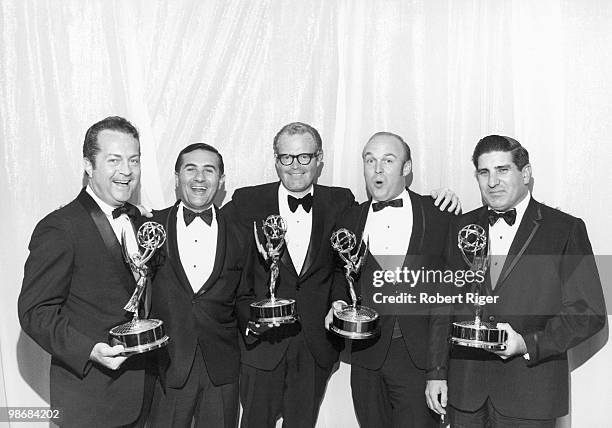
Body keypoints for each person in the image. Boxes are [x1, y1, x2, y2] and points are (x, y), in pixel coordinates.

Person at [227, 122, 459, 428]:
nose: (296, 166)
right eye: (287, 157)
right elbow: (211, 237)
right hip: (280, 350)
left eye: (305, 157)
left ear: (320, 158)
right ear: (276, 159)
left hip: (350, 352)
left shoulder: (346, 205)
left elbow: (445, 296)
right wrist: (148, 216)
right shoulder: (251, 202)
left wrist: (445, 196)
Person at [425, 135, 607, 427]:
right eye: (484, 173)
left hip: (531, 394)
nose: (492, 181)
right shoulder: (460, 227)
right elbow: (443, 305)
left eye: (502, 170)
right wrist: (436, 372)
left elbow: (589, 312)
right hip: (465, 392)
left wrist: (527, 343)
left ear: (525, 173)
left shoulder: (565, 229)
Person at [18, 116, 148, 427]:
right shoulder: (60, 227)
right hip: (90, 401)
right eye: (113, 160)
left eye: (134, 160)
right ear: (88, 165)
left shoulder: (142, 223)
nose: (126, 171)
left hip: (144, 396)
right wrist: (89, 350)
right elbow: (35, 311)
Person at [328, 132, 459, 428]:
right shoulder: (350, 218)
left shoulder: (438, 214)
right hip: (366, 357)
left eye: (388, 160)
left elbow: (446, 298)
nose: (377, 169)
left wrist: (438, 370)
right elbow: (340, 273)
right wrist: (338, 301)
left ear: (407, 168)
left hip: (418, 359)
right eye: (370, 160)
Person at [146, 143, 253, 428]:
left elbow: (244, 296)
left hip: (221, 367)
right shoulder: (150, 226)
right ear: (177, 177)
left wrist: (260, 320)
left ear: (221, 180)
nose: (199, 178)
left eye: (209, 170)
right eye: (190, 169)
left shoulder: (241, 234)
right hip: (167, 364)